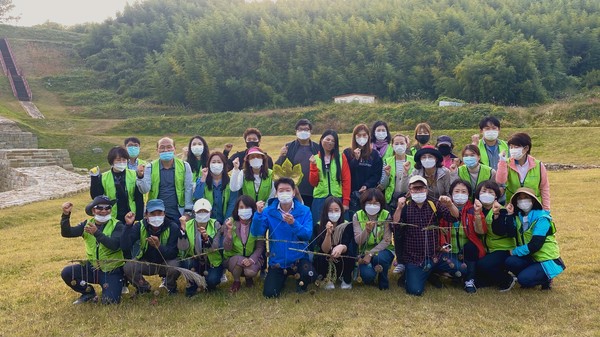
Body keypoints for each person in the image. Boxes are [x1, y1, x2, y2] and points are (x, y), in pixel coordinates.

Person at [392, 175, 459, 296]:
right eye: (415, 188)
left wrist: (450, 204)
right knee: (415, 290)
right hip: (414, 259)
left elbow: (454, 217)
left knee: (461, 269)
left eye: (421, 188)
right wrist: (398, 208)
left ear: (426, 189)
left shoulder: (434, 204)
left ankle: (431, 273)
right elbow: (395, 226)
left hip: (435, 256)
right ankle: (414, 274)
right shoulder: (405, 206)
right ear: (409, 190)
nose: (418, 191)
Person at [251, 177, 317, 298]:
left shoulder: (305, 210)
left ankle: (300, 281)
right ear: (276, 193)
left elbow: (307, 235)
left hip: (299, 258)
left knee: (309, 274)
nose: (284, 193)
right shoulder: (268, 211)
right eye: (281, 190)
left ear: (293, 192)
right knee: (270, 293)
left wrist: (294, 224)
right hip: (278, 262)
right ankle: (282, 278)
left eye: (288, 190)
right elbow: (256, 232)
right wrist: (258, 215)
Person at [60, 196, 124, 304]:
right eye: (100, 208)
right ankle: (88, 292)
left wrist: (96, 233)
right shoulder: (87, 224)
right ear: (93, 210)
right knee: (67, 273)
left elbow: (114, 245)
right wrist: (66, 215)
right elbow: (67, 233)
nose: (104, 211)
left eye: (107, 208)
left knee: (109, 302)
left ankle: (118, 284)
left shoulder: (117, 225)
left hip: (111, 270)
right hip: (92, 268)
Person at [502, 187, 565, 290]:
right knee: (510, 261)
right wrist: (509, 215)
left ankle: (546, 279)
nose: (523, 201)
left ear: (533, 200)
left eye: (526, 197)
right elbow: (511, 233)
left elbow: (535, 245)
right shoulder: (518, 217)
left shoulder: (542, 218)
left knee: (524, 280)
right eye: (520, 198)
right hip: (531, 257)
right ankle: (532, 275)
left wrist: (514, 251)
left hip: (547, 259)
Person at [121, 199, 180, 294]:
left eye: (159, 213)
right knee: (128, 267)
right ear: (146, 215)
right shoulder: (139, 226)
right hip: (146, 262)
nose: (156, 217)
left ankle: (170, 286)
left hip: (165, 262)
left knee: (175, 266)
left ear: (164, 214)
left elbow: (173, 253)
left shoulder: (172, 227)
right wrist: (128, 225)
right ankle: (143, 288)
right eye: (152, 214)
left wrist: (158, 246)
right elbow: (125, 246)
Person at [439, 179, 486, 293]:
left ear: (469, 194)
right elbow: (439, 230)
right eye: (457, 191)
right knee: (454, 268)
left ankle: (469, 280)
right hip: (448, 250)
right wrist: (443, 245)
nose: (460, 194)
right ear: (451, 193)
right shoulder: (444, 209)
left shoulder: (473, 209)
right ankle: (456, 275)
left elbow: (481, 232)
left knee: (471, 247)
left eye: (464, 191)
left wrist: (477, 215)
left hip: (467, 252)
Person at [473, 180, 517, 291]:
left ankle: (507, 279)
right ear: (478, 194)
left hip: (503, 249)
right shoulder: (478, 210)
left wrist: (497, 215)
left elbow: (501, 231)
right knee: (477, 278)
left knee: (482, 265)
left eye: (491, 192)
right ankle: (491, 278)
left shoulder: (501, 210)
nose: (486, 194)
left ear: (496, 196)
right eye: (484, 191)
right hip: (488, 249)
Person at [137, 137, 194, 221]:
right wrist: (140, 177)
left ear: (174, 149)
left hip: (178, 212)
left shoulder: (185, 166)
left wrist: (188, 211)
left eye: (169, 147)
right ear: (157, 150)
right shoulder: (150, 167)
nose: (166, 150)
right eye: (162, 147)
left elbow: (188, 189)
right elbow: (144, 190)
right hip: (156, 212)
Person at [178, 198, 224, 295]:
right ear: (194, 213)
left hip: (211, 261)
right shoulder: (188, 225)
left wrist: (207, 239)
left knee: (211, 281)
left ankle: (210, 282)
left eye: (205, 211)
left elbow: (215, 246)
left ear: (210, 212)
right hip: (194, 260)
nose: (202, 213)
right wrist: (183, 231)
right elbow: (182, 248)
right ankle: (192, 285)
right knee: (187, 263)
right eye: (200, 211)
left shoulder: (216, 224)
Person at [353, 188, 395, 290]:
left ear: (381, 204)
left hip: (384, 250)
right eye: (369, 203)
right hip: (364, 251)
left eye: (376, 203)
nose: (372, 206)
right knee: (367, 276)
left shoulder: (386, 215)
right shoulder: (357, 216)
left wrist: (371, 254)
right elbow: (358, 241)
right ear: (364, 203)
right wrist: (366, 231)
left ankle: (383, 281)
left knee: (379, 258)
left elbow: (386, 240)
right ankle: (369, 272)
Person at [496, 132, 551, 211]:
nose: (513, 150)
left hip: (534, 206)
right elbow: (500, 181)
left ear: (526, 148)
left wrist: (546, 209)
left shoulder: (538, 165)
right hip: (513, 206)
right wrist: (502, 162)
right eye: (511, 147)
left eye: (516, 147)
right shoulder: (506, 163)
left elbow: (544, 188)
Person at [222, 195, 265, 292]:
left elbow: (260, 247)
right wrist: (229, 233)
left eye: (247, 207)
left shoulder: (257, 223)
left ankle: (248, 278)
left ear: (252, 209)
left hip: (252, 257)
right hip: (234, 258)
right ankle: (236, 281)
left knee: (250, 271)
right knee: (237, 263)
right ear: (237, 209)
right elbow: (226, 248)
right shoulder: (230, 222)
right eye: (241, 207)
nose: (244, 210)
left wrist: (251, 259)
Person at [90, 146, 144, 223]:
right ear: (112, 161)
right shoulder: (103, 177)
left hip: (131, 214)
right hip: (112, 215)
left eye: (124, 160)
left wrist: (138, 218)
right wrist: (94, 178)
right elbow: (96, 197)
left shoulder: (133, 174)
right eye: (118, 160)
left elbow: (139, 198)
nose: (121, 162)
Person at [309, 129, 351, 226]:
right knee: (319, 228)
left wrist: (345, 202)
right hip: (320, 199)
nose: (330, 143)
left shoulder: (341, 157)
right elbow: (313, 182)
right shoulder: (314, 158)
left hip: (337, 198)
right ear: (321, 140)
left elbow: (346, 180)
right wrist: (313, 166)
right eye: (327, 139)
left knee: (341, 227)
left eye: (333, 141)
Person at [314, 196, 356, 290]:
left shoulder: (346, 225)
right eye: (330, 210)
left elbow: (346, 244)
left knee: (349, 255)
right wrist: (328, 234)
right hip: (326, 256)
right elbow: (324, 249)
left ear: (341, 211)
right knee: (321, 256)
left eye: (336, 210)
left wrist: (341, 246)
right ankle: (326, 278)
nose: (333, 213)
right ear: (325, 212)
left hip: (341, 256)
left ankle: (346, 278)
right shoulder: (319, 225)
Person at [276, 119, 319, 208]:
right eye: (300, 129)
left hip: (313, 191)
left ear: (310, 131)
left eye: (306, 129)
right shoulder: (289, 147)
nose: (303, 131)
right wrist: (281, 156)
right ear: (296, 131)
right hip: (294, 191)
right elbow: (278, 168)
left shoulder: (317, 147)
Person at [343, 123, 383, 218]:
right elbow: (346, 172)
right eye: (359, 135)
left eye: (364, 135)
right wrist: (355, 160)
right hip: (352, 194)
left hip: (368, 194)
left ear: (368, 137)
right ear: (354, 137)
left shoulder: (374, 154)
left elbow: (376, 174)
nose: (362, 138)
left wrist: (367, 185)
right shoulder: (347, 153)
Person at [193, 151, 241, 224]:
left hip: (225, 221)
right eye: (213, 162)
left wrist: (225, 223)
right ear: (208, 165)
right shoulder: (202, 180)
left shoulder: (231, 181)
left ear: (223, 165)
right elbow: (197, 197)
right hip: (206, 222)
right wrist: (203, 178)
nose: (216, 164)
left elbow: (232, 203)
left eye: (219, 162)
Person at [380, 133, 414, 212]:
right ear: (392, 145)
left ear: (407, 144)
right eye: (396, 143)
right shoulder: (387, 161)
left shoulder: (413, 160)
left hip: (410, 198)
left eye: (402, 143)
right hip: (392, 199)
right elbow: (384, 185)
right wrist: (387, 175)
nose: (399, 146)